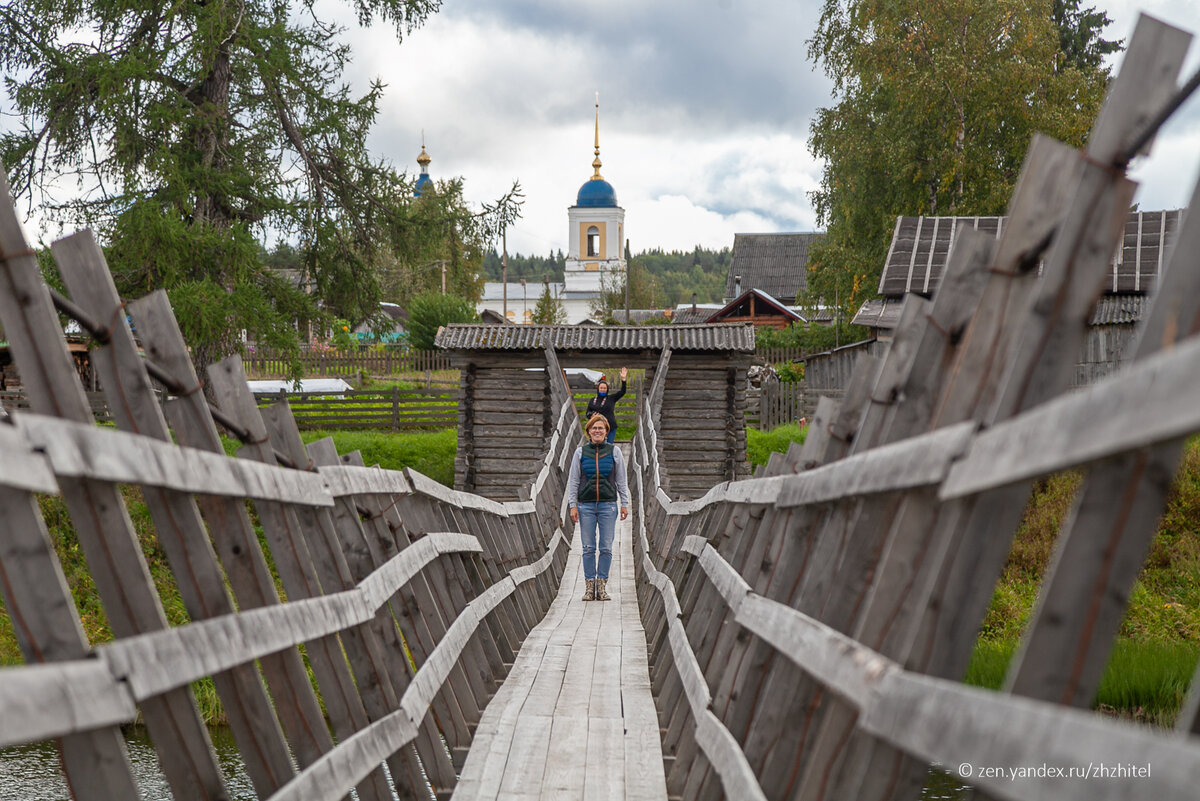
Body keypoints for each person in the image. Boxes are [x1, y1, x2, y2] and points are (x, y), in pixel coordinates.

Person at [567, 413, 630, 601]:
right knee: (587, 547)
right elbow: (573, 481)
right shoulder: (580, 453)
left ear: (606, 431)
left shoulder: (614, 452)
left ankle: (601, 586)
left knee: (606, 547)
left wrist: (624, 503)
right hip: (585, 506)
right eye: (594, 428)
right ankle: (589, 587)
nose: (597, 431)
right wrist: (573, 505)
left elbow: (621, 480)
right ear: (588, 431)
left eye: (600, 428)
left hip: (608, 506)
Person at [585, 366, 627, 444]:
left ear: (607, 390)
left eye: (604, 388)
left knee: (608, 446)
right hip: (597, 428)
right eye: (601, 388)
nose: (603, 390)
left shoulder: (611, 398)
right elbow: (587, 413)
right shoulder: (592, 400)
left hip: (610, 427)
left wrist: (623, 379)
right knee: (597, 446)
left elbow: (622, 392)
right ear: (598, 389)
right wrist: (591, 415)